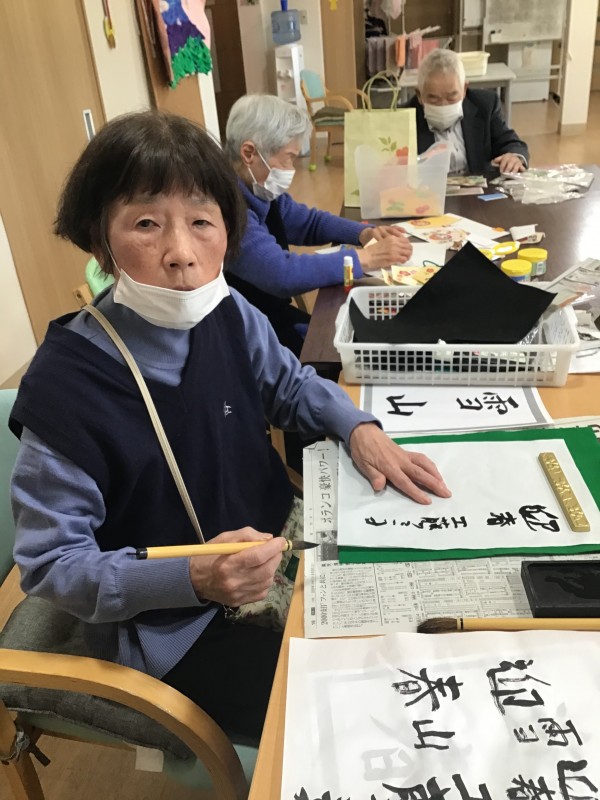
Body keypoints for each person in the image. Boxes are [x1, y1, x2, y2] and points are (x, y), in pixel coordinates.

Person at [9, 111, 450, 746]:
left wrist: (359, 428)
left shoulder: (229, 311)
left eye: (201, 222)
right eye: (146, 224)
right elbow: (52, 564)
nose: (181, 254)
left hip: (285, 536)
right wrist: (193, 577)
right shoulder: (65, 386)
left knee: (418, 632)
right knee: (348, 720)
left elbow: (291, 388)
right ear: (101, 242)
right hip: (175, 619)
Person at [225, 93, 414, 356]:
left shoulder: (259, 191)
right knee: (337, 348)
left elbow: (309, 222)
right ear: (249, 153)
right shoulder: (227, 210)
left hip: (266, 313)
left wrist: (363, 232)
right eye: (288, 158)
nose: (291, 168)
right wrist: (365, 258)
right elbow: (282, 274)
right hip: (247, 332)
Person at [404, 48, 529, 176]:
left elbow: (509, 142)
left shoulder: (484, 105)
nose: (443, 105)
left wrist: (514, 157)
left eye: (451, 97)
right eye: (434, 99)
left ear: (464, 89)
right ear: (419, 95)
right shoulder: (403, 119)